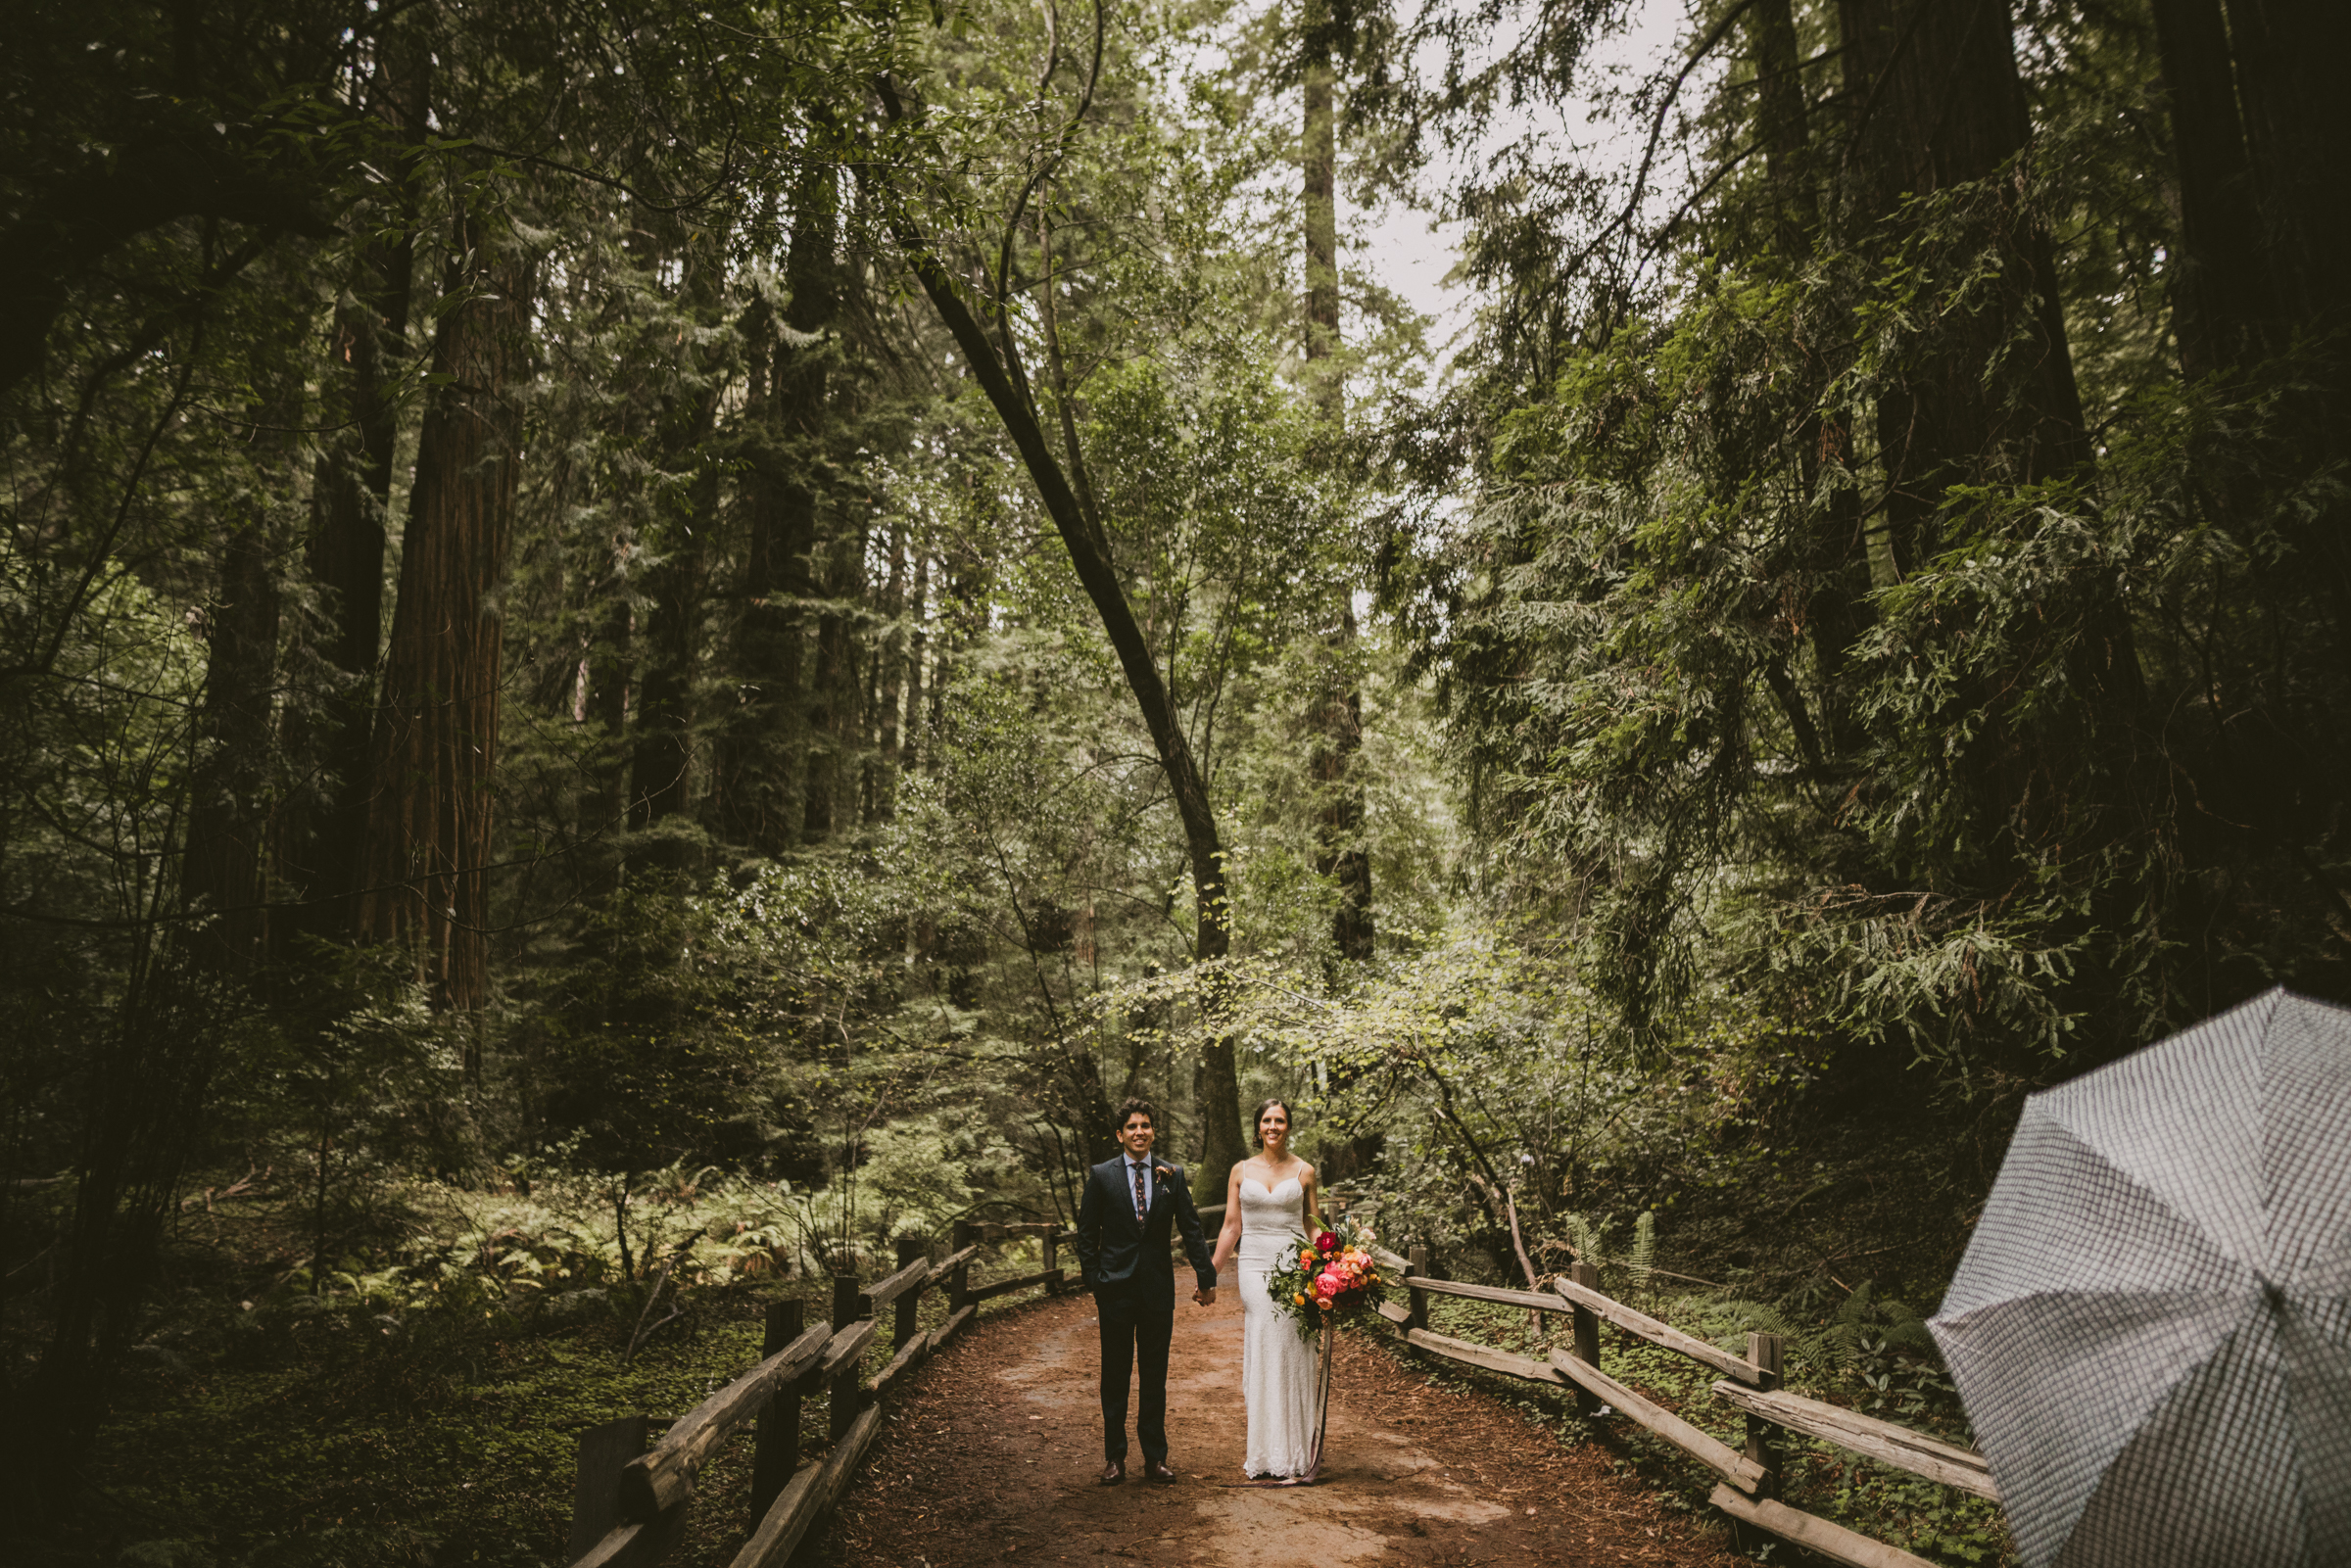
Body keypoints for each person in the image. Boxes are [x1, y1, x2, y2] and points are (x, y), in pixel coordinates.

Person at [1072, 1097, 1219, 1485]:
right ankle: (1114, 1457)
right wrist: (1096, 1281)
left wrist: (1206, 1278)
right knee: (1115, 1375)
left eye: (1146, 1125)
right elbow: (1086, 1235)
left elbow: (1190, 1229)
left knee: (1155, 1376)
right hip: (1115, 1291)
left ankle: (1155, 1458)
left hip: (1157, 1291)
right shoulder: (1102, 1175)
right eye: (1132, 1127)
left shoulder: (1172, 1173)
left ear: (1154, 1131)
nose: (1140, 1132)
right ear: (1120, 1134)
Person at [1208, 1097, 1324, 1480]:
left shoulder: (1305, 1171)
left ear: (1289, 1126)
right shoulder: (1240, 1171)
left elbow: (1314, 1227)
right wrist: (1210, 1273)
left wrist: (1335, 1265)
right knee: (1265, 1343)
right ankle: (1264, 1450)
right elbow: (1231, 1227)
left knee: (1293, 1349)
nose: (1273, 1126)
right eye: (1266, 1121)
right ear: (1257, 1126)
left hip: (1296, 1267)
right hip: (1255, 1268)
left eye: (1280, 1120)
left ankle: (1297, 1451)